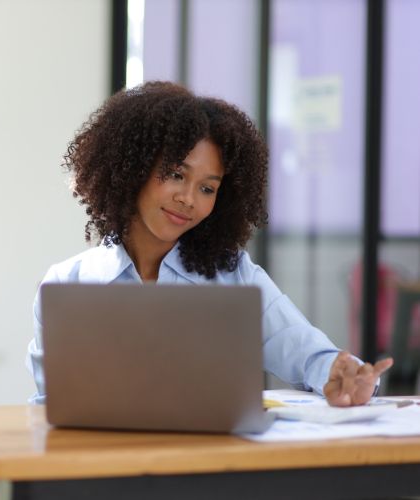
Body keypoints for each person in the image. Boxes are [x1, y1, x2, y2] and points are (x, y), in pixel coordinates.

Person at [26, 81, 392, 408]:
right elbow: (50, 407)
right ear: (132, 168)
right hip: (100, 472)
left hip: (212, 471)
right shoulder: (66, 283)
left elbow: (307, 352)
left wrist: (344, 374)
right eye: (175, 175)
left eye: (207, 188)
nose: (188, 199)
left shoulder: (234, 275)